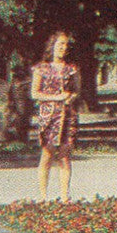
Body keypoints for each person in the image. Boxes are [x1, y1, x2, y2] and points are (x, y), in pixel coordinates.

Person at [30, 31, 80, 201]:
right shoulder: (41, 69)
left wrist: (70, 98)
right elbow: (35, 93)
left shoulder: (71, 69)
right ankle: (43, 197)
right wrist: (55, 98)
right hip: (48, 116)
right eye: (60, 44)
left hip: (67, 116)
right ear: (52, 46)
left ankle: (65, 197)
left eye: (66, 45)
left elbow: (76, 90)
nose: (63, 48)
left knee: (65, 156)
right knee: (47, 154)